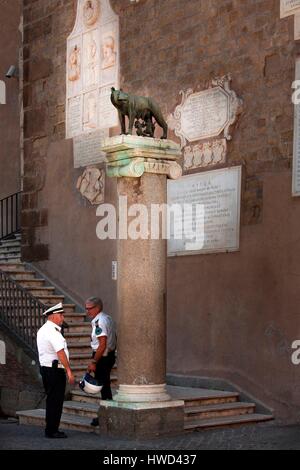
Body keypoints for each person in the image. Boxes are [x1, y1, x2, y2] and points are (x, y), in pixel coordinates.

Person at [37, 302, 75, 439]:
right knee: (56, 401)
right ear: (53, 316)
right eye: (60, 315)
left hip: (47, 369)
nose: (62, 318)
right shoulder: (52, 332)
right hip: (54, 371)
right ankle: (52, 430)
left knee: (52, 400)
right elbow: (60, 353)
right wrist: (69, 371)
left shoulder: (43, 329)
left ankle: (50, 428)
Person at [85, 297, 117, 426]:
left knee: (103, 387)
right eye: (86, 308)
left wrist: (93, 361)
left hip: (102, 356)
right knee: (105, 386)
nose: (87, 311)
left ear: (97, 307)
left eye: (89, 308)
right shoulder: (107, 318)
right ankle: (106, 414)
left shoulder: (99, 322)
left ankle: (106, 416)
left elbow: (102, 344)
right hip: (108, 355)